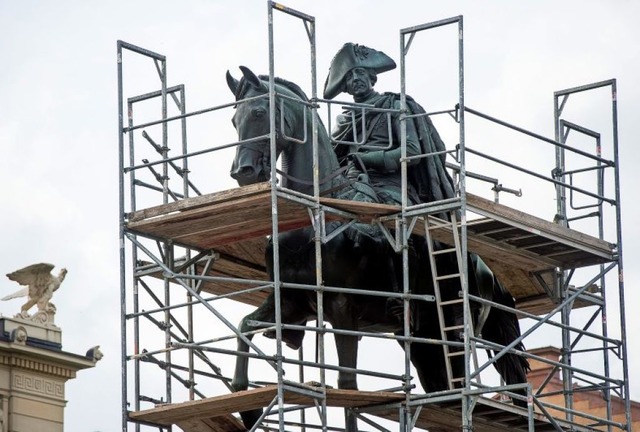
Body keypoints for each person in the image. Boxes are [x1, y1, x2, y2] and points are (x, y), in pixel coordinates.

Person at [323, 42, 455, 206]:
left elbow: (412, 151)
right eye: (349, 77)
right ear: (345, 87)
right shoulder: (343, 121)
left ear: (372, 78)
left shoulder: (394, 106)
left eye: (360, 72)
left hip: (388, 186)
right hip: (350, 185)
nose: (356, 78)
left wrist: (368, 159)